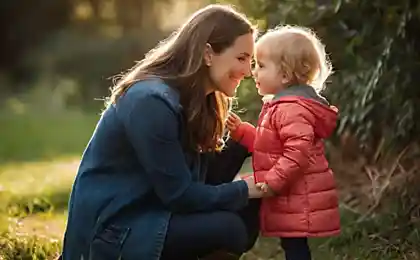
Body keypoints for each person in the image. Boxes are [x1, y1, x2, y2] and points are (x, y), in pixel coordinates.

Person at [60, 4, 263, 260]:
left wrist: (248, 147)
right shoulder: (150, 101)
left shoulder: (200, 101)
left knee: (245, 212)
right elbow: (180, 195)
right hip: (114, 231)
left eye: (251, 61)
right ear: (208, 54)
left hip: (152, 214)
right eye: (241, 58)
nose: (247, 71)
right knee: (230, 227)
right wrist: (245, 189)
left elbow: (200, 183)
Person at [226, 25, 341, 260]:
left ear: (286, 75)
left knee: (295, 246)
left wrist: (273, 181)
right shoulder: (282, 105)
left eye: (261, 66)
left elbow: (297, 153)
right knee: (292, 244)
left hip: (296, 190)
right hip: (293, 189)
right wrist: (242, 132)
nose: (253, 72)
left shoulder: (291, 109)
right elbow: (272, 146)